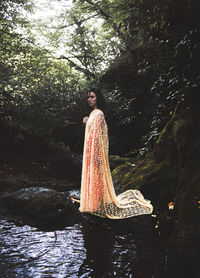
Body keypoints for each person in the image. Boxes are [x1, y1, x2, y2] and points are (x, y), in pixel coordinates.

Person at [79, 88, 153, 218]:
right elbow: (91, 133)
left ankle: (97, 204)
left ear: (98, 99)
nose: (89, 99)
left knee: (96, 175)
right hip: (90, 151)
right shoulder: (93, 113)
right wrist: (86, 122)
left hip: (94, 151)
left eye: (92, 97)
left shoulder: (98, 114)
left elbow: (97, 137)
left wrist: (95, 155)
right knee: (93, 175)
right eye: (88, 97)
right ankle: (94, 203)